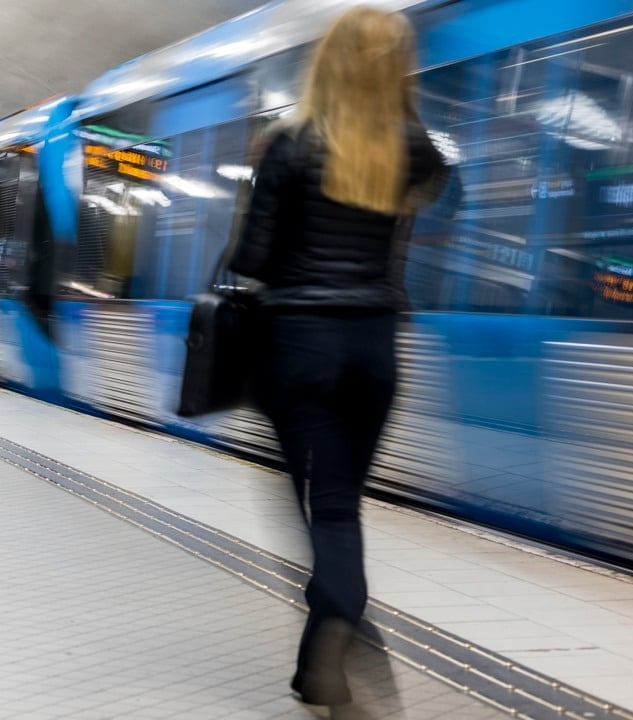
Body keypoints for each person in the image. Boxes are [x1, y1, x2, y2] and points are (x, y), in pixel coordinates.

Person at [231, 6, 449, 707]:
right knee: (343, 502)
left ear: (326, 65)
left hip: (299, 344)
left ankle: (336, 616)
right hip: (376, 346)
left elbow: (254, 259)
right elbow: (422, 208)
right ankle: (316, 656)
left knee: (322, 509)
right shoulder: (416, 149)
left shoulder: (289, 144)